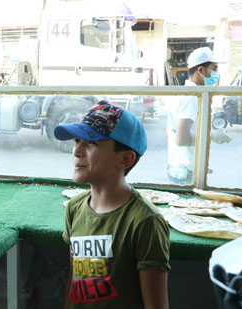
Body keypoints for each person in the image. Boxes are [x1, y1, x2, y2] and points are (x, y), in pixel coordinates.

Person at [54, 101, 170, 308]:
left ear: (125, 159)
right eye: (77, 140)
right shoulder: (74, 208)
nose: (77, 151)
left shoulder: (145, 221)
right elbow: (74, 280)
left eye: (91, 143)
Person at [167, 47, 225, 185]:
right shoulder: (192, 98)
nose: (217, 74)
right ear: (201, 70)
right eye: (214, 69)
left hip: (179, 168)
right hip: (185, 173)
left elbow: (169, 133)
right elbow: (181, 139)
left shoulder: (185, 93)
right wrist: (211, 137)